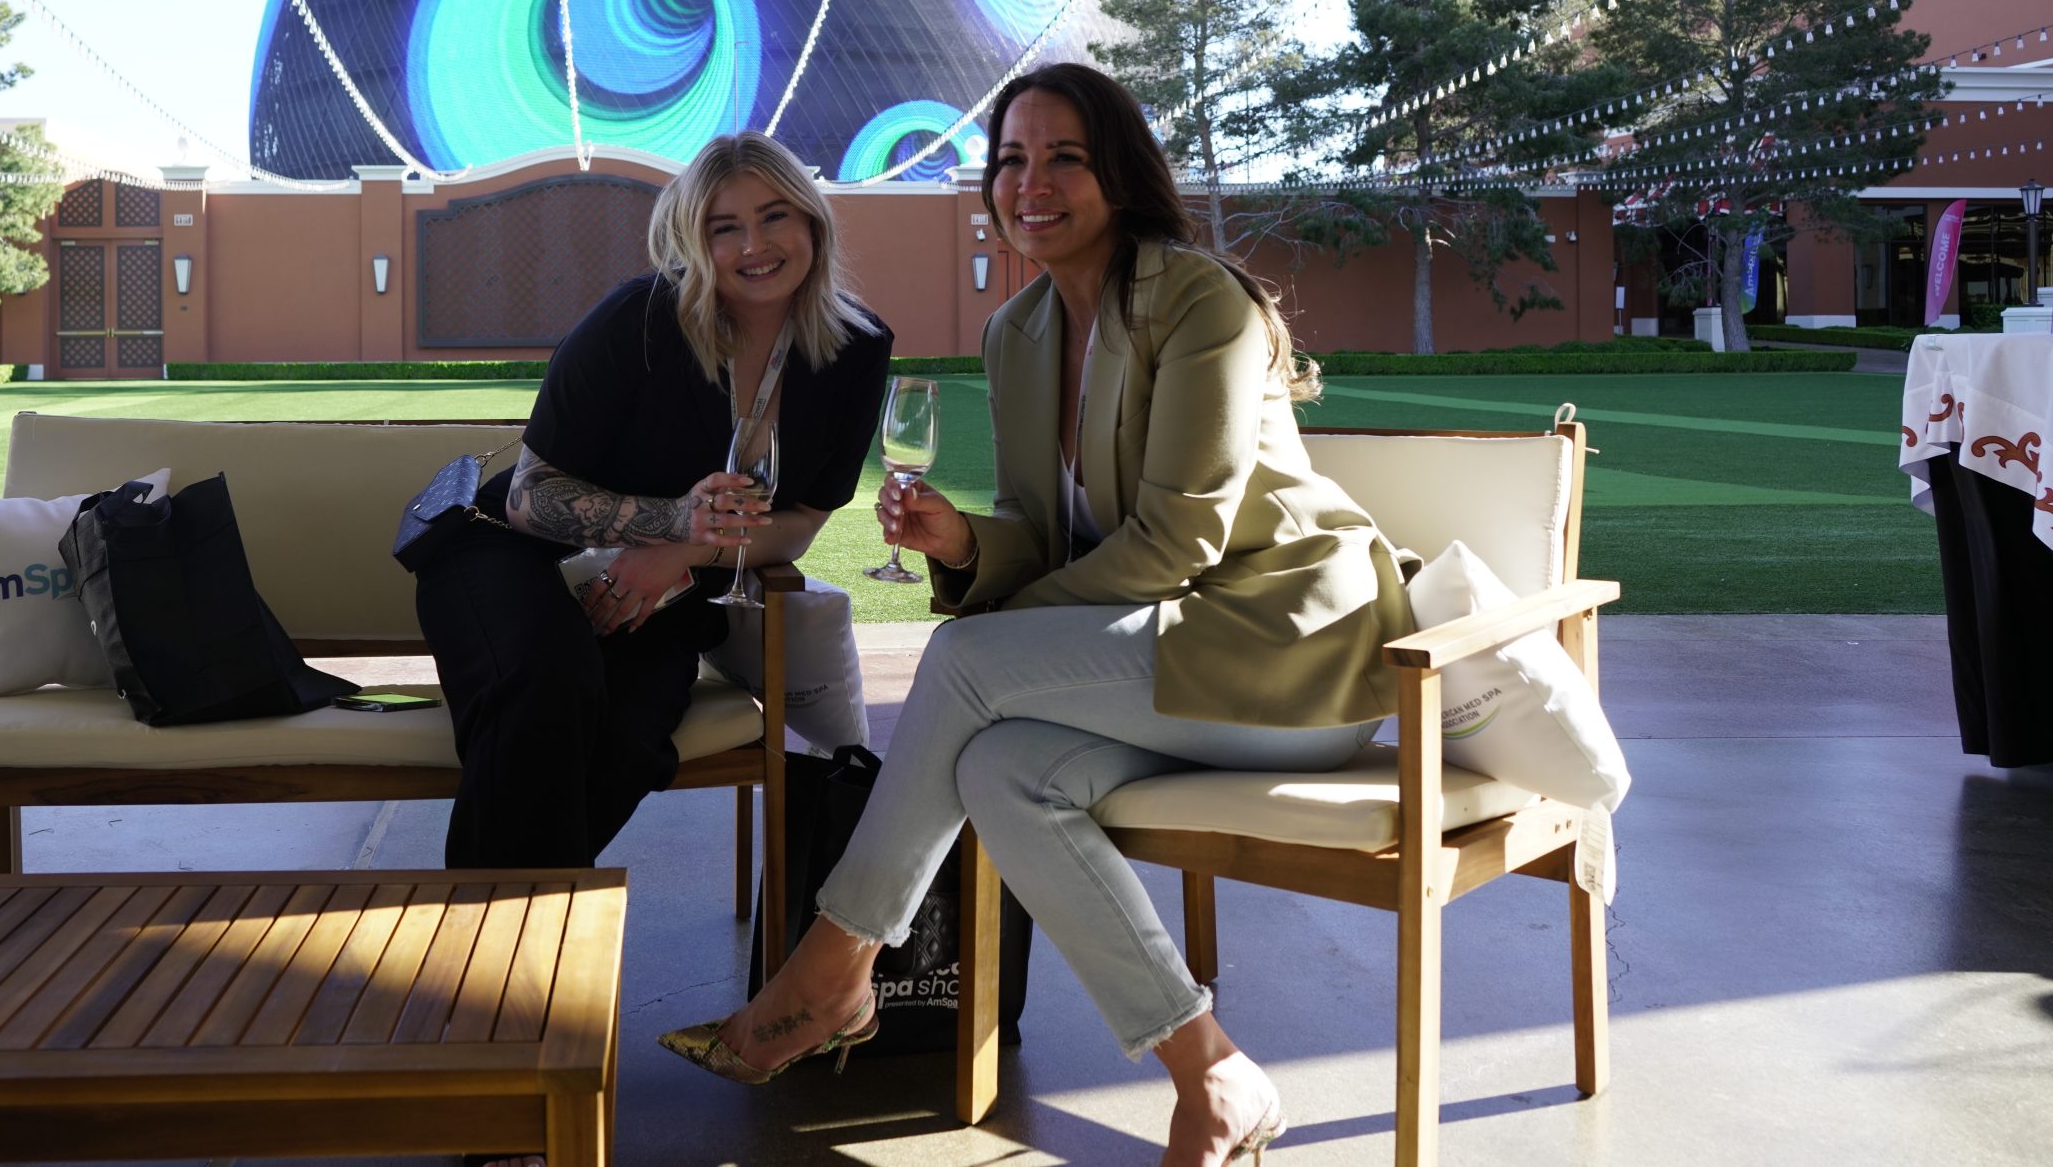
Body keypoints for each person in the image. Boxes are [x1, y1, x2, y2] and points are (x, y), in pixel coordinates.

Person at [660, 64, 1416, 1167]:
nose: (1032, 181)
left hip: (1285, 656)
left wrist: (994, 630)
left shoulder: (1204, 303)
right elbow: (1045, 531)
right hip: (1159, 663)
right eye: (1012, 159)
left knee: (967, 663)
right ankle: (1211, 1070)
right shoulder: (1015, 332)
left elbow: (1174, 545)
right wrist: (968, 545)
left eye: (1064, 156)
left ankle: (829, 972)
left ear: (1118, 171)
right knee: (1002, 767)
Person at [415, 130, 894, 872]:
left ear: (811, 222)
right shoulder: (640, 318)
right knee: (547, 690)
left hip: (662, 598)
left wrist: (682, 549)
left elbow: (800, 526)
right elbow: (530, 497)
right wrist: (675, 518)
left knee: (631, 737)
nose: (753, 245)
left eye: (774, 216)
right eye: (722, 227)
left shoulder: (855, 347)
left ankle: (499, 941)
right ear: (693, 241)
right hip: (506, 557)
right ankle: (500, 950)